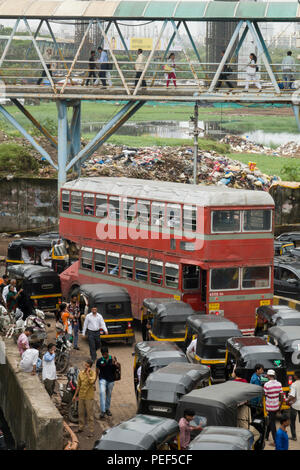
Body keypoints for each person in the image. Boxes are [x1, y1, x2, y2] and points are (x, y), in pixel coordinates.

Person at [73, 359, 96, 437]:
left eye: (86, 365)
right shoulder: (80, 374)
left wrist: (88, 374)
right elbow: (78, 386)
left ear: (89, 366)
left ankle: (91, 431)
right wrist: (74, 396)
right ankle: (80, 428)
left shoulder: (93, 373)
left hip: (89, 397)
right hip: (81, 396)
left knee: (90, 415)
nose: (85, 366)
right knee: (81, 413)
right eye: (85, 365)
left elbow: (92, 381)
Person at [96, 346, 118, 419]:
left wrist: (115, 363)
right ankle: (102, 411)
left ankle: (107, 409)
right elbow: (97, 370)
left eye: (105, 354)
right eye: (103, 354)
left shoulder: (113, 359)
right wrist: (95, 379)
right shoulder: (99, 361)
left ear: (107, 352)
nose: (104, 355)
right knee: (102, 393)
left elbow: (117, 367)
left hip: (111, 380)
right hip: (102, 379)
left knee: (108, 394)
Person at [264, 369, 284, 446]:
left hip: (270, 407)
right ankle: (266, 436)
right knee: (271, 420)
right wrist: (280, 406)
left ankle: (276, 441)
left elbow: (265, 395)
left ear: (268, 376)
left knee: (272, 423)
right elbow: (281, 396)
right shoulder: (279, 384)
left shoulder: (266, 385)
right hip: (276, 406)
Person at [288, 370, 300, 441]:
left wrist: (287, 401)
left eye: (294, 375)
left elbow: (292, 396)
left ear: (296, 376)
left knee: (292, 421)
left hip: (295, 405)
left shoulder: (294, 384)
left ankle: (294, 436)